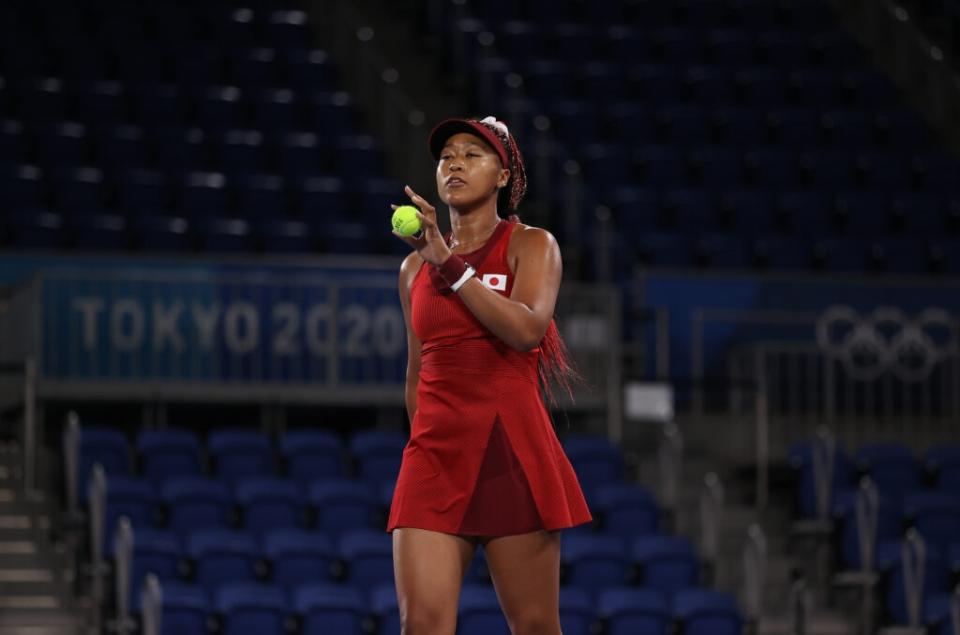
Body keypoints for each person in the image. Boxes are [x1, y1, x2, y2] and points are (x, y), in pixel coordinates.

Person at [387, 115, 592, 634]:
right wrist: (428, 445)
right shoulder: (412, 269)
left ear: (503, 177)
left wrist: (450, 265)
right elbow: (416, 375)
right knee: (422, 624)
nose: (455, 162)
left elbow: (525, 330)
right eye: (446, 155)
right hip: (435, 457)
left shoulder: (533, 245)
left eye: (472, 154)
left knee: (535, 627)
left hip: (511, 451)